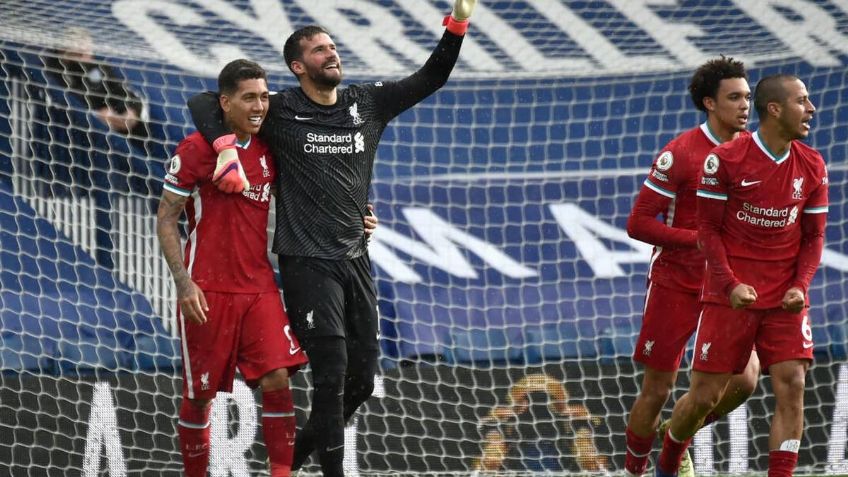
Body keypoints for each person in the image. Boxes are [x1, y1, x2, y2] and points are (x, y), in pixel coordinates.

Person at [186, 2, 477, 475]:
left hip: (355, 259)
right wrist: (225, 150)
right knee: (332, 374)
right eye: (320, 50)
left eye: (333, 46)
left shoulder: (367, 103)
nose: (332, 53)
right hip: (306, 262)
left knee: (361, 381)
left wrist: (457, 24)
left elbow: (432, 76)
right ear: (298, 67)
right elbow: (203, 102)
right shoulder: (279, 109)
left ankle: (293, 461)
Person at [654, 74, 827, 477]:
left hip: (785, 295)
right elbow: (708, 232)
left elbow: (815, 236)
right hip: (731, 294)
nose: (812, 109)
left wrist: (801, 286)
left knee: (793, 385)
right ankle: (669, 456)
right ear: (775, 109)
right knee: (705, 396)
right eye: (803, 101)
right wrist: (730, 285)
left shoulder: (813, 164)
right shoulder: (727, 160)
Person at [157, 59, 308, 477]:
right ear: (225, 103)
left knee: (278, 378)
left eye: (263, 97)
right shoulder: (194, 149)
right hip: (207, 290)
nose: (259, 106)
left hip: (259, 286)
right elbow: (166, 217)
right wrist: (184, 285)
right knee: (200, 397)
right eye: (249, 98)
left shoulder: (268, 148)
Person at [624, 56, 761, 477]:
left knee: (745, 380)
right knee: (658, 389)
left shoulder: (755, 154)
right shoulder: (681, 152)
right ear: (709, 103)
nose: (745, 106)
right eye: (734, 97)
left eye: (748, 97)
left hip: (726, 287)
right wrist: (697, 241)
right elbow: (638, 222)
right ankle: (633, 471)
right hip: (675, 282)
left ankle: (675, 437)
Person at [473, 373, 608, 473]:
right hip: (517, 457)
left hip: (561, 455)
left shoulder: (575, 415)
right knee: (491, 457)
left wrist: (587, 451)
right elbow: (491, 435)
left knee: (588, 454)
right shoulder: (502, 416)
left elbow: (585, 433)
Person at [43, 27, 148, 140]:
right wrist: (96, 116)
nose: (86, 58)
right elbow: (60, 106)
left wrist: (132, 112)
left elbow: (123, 91)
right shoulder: (51, 74)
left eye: (88, 52)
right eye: (79, 54)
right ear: (64, 53)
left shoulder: (98, 67)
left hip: (113, 133)